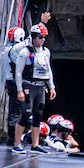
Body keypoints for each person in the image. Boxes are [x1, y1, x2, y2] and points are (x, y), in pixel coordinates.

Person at [13, 23, 56, 153]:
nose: (42, 40)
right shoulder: (25, 52)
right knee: (26, 113)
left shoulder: (46, 52)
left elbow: (48, 70)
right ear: (33, 37)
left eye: (44, 37)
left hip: (40, 86)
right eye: (40, 37)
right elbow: (18, 72)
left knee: (38, 114)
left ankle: (35, 144)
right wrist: (19, 90)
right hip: (28, 85)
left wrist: (51, 86)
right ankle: (17, 143)